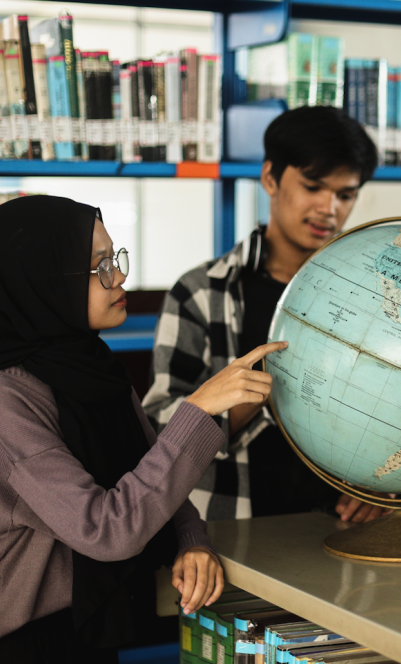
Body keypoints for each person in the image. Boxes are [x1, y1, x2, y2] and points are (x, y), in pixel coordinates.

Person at [0, 196, 285, 664]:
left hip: (87, 630)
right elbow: (107, 530)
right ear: (42, 285)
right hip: (17, 645)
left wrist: (191, 540)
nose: (119, 276)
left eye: (115, 258)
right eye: (99, 267)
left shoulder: (92, 367)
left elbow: (153, 478)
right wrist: (199, 409)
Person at [143, 105, 384, 523]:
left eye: (346, 195)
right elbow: (156, 430)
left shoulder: (381, 297)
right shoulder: (201, 293)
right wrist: (247, 397)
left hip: (342, 529)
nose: (330, 208)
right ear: (270, 177)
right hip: (231, 532)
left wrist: (382, 485)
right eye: (313, 187)